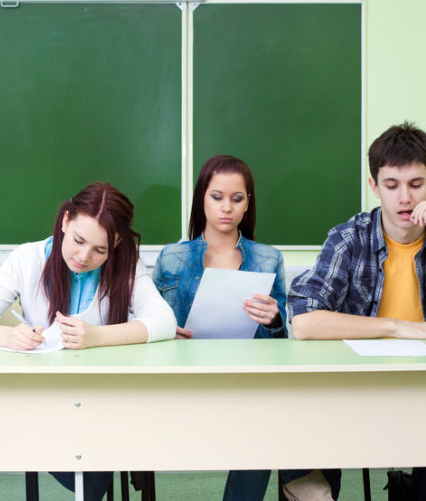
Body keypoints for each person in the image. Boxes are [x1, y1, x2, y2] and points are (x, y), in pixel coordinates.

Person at [0, 182, 176, 500]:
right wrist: (10, 337)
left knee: (95, 468)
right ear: (65, 221)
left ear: (118, 243)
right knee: (88, 461)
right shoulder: (26, 259)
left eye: (100, 249)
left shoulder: (126, 264)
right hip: (42, 399)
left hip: (101, 402)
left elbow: (164, 322)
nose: (84, 257)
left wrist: (96, 336)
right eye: (78, 241)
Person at [289, 122, 426, 500]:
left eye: (417, 184)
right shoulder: (350, 238)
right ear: (374, 186)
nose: (405, 198)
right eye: (392, 185)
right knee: (304, 411)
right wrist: (397, 327)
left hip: (421, 390)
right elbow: (304, 321)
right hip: (358, 388)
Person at [152, 155, 286, 501]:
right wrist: (167, 331)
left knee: (266, 416)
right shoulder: (172, 257)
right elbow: (148, 324)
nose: (226, 207)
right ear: (202, 198)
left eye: (237, 198)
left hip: (248, 379)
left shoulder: (269, 258)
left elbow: (284, 338)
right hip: (186, 379)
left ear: (247, 204)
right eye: (217, 196)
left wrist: (274, 319)